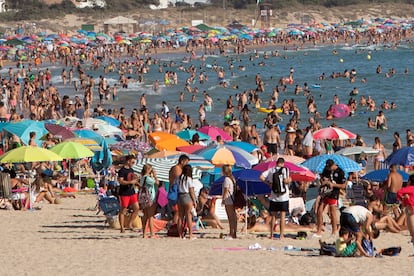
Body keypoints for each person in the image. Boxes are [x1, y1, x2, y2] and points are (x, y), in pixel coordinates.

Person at [259, 157, 291, 240]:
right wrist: (290, 180)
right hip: (284, 197)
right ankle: (281, 235)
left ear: (276, 163)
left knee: (273, 216)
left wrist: (268, 183)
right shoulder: (285, 170)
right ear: (283, 163)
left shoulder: (271, 170)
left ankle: (272, 234)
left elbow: (261, 177)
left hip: (273, 196)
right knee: (282, 216)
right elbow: (286, 181)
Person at [315, 159, 346, 237]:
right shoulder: (326, 170)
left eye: (330, 167)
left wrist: (332, 184)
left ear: (333, 165)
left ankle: (334, 231)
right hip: (325, 192)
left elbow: (343, 186)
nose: (329, 169)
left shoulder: (340, 172)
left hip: (334, 192)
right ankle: (318, 231)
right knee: (319, 210)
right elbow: (322, 178)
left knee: (332, 212)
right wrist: (323, 181)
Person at [117, 155, 139, 233]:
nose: (133, 163)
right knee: (123, 210)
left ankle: (129, 224)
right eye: (132, 162)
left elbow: (132, 179)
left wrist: (136, 181)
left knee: (136, 208)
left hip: (132, 191)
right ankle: (122, 227)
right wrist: (130, 182)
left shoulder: (131, 170)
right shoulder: (122, 171)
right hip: (124, 192)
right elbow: (120, 181)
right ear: (128, 161)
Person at [176, 164, 197, 239]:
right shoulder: (188, 179)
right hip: (187, 196)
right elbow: (191, 191)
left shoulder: (178, 178)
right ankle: (190, 234)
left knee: (180, 216)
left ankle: (180, 234)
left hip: (180, 196)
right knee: (188, 216)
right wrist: (194, 201)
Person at [169, 154, 190, 224]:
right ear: (182, 161)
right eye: (186, 162)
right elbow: (180, 181)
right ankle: (175, 226)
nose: (186, 164)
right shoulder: (177, 169)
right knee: (177, 212)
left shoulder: (177, 168)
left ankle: (176, 226)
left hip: (176, 191)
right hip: (175, 192)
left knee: (178, 212)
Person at [140, 164, 159, 238]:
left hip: (144, 198)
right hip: (150, 198)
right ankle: (152, 233)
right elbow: (157, 183)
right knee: (150, 216)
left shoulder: (142, 178)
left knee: (145, 216)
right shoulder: (147, 178)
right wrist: (155, 175)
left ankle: (144, 234)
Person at [397, 174, 414, 255]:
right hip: (411, 210)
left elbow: (399, 192)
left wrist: (403, 198)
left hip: (411, 211)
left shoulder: (409, 188)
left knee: (413, 233)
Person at [221, 164, 238, 239]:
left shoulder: (226, 179)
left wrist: (223, 199)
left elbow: (226, 190)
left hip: (228, 199)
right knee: (233, 217)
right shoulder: (232, 178)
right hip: (232, 198)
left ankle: (231, 232)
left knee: (230, 217)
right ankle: (234, 232)